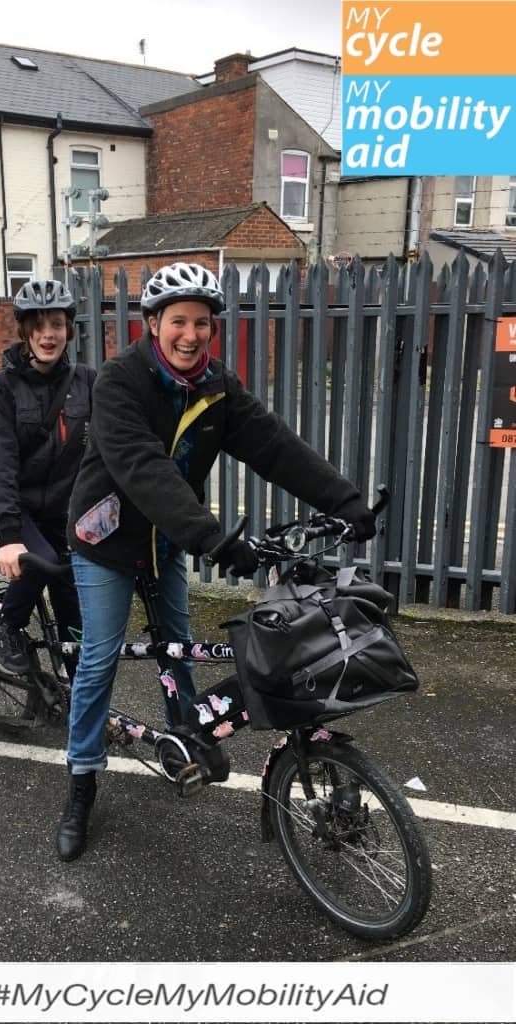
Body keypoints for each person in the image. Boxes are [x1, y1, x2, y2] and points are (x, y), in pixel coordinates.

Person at [56, 261, 377, 862]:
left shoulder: (215, 385)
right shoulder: (121, 382)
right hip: (107, 539)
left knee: (178, 645)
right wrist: (215, 540)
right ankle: (81, 782)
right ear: (154, 324)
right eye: (178, 321)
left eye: (202, 323)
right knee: (98, 659)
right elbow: (145, 471)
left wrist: (345, 501)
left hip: (168, 541)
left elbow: (274, 444)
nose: (190, 334)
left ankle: (188, 739)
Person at [0, 278, 95, 678]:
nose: (48, 334)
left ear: (69, 329)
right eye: (38, 325)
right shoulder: (2, 389)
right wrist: (10, 536)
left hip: (65, 510)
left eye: (57, 324)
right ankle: (6, 624)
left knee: (72, 596)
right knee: (40, 560)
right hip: (17, 507)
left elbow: (110, 451)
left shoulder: (87, 382)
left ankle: (73, 682)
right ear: (25, 331)